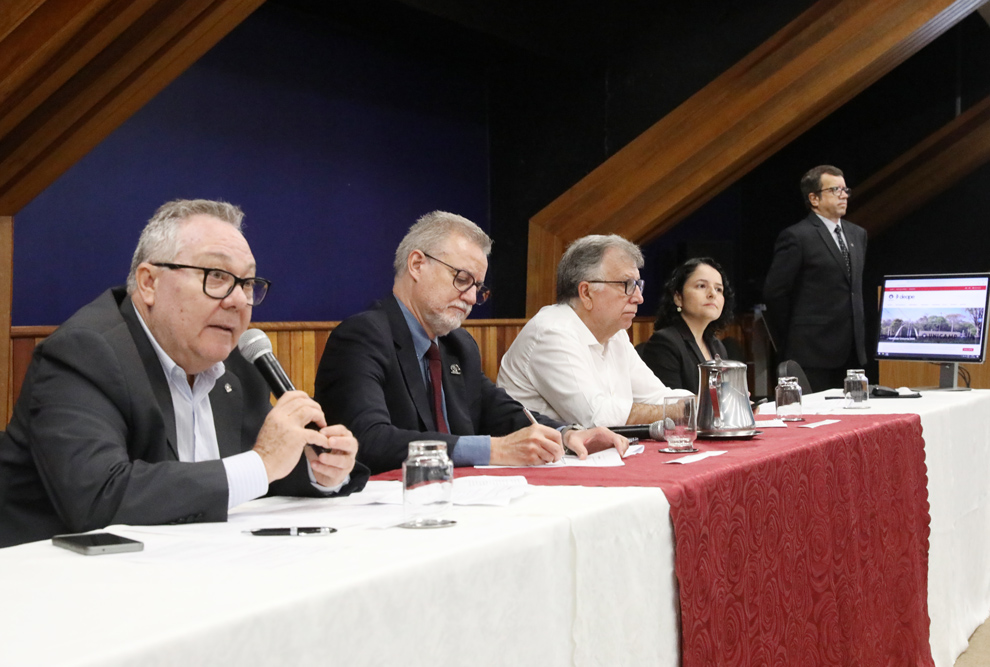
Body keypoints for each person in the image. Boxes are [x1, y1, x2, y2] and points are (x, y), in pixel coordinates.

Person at [0, 199, 368, 548]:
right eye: (217, 276)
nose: (238, 300)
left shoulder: (235, 363)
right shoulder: (85, 353)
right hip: (54, 583)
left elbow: (255, 469)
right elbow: (98, 495)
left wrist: (318, 468)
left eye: (247, 284)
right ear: (149, 283)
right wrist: (263, 462)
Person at [314, 211, 627, 475]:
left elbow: (501, 409)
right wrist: (493, 449)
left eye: (478, 286)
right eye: (462, 279)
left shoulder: (458, 345)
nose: (472, 297)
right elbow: (368, 440)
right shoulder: (362, 337)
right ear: (417, 265)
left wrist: (566, 433)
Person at [496, 234, 689, 428]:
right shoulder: (552, 332)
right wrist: (679, 411)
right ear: (586, 293)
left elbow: (655, 396)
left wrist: (706, 403)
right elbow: (596, 417)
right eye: (627, 285)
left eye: (638, 285)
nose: (639, 298)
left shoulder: (615, 333)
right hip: (544, 456)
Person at [763, 165, 867, 392]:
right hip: (811, 352)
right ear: (814, 198)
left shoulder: (858, 235)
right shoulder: (797, 236)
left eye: (845, 189)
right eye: (835, 190)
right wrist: (790, 340)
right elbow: (775, 293)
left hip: (853, 351)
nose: (843, 195)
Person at [637, 257, 735, 394]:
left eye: (719, 289)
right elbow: (670, 406)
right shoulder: (664, 343)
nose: (712, 294)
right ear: (678, 297)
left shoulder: (717, 346)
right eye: (701, 286)